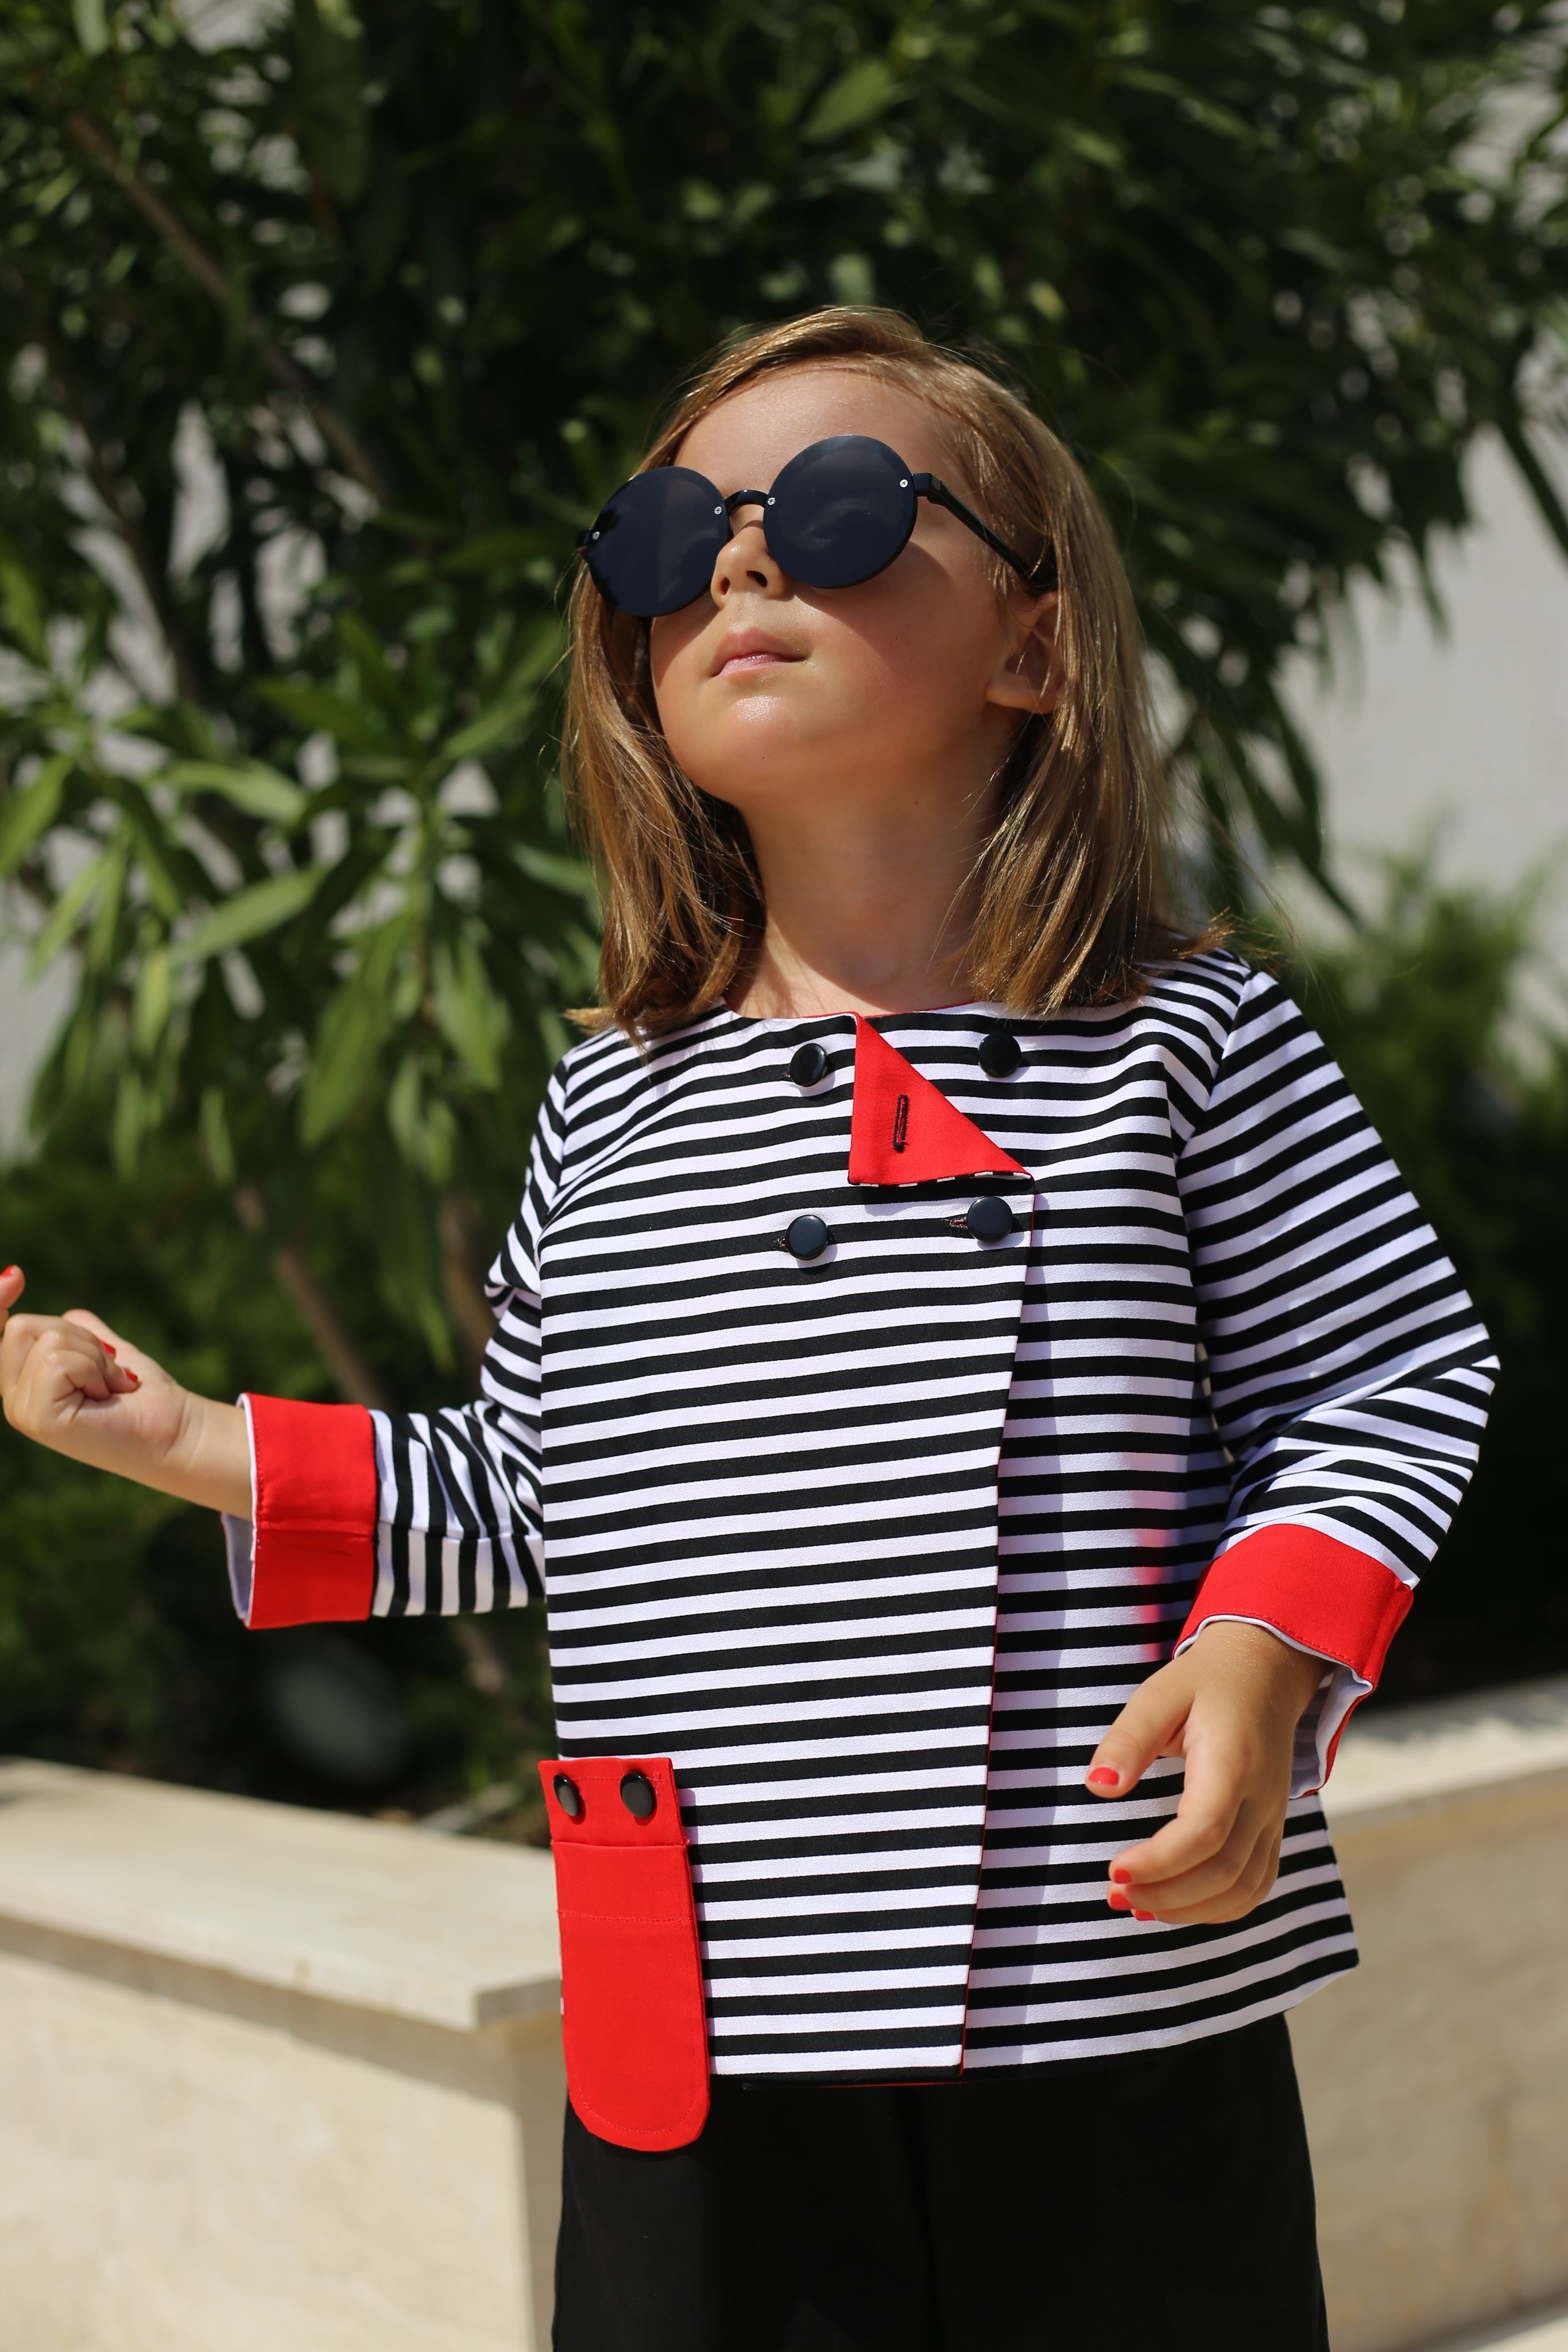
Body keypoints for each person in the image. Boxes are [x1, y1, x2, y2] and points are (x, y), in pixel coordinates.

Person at [0, 307, 1493, 2351]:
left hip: (1102, 1995)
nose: (741, 559)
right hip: (703, 2024)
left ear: (1033, 643)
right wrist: (184, 1443)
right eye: (664, 537)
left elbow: (1386, 1373)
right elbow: (527, 1491)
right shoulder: (609, 1100)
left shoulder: (1181, 1039)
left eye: (843, 508)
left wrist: (1260, 1644)